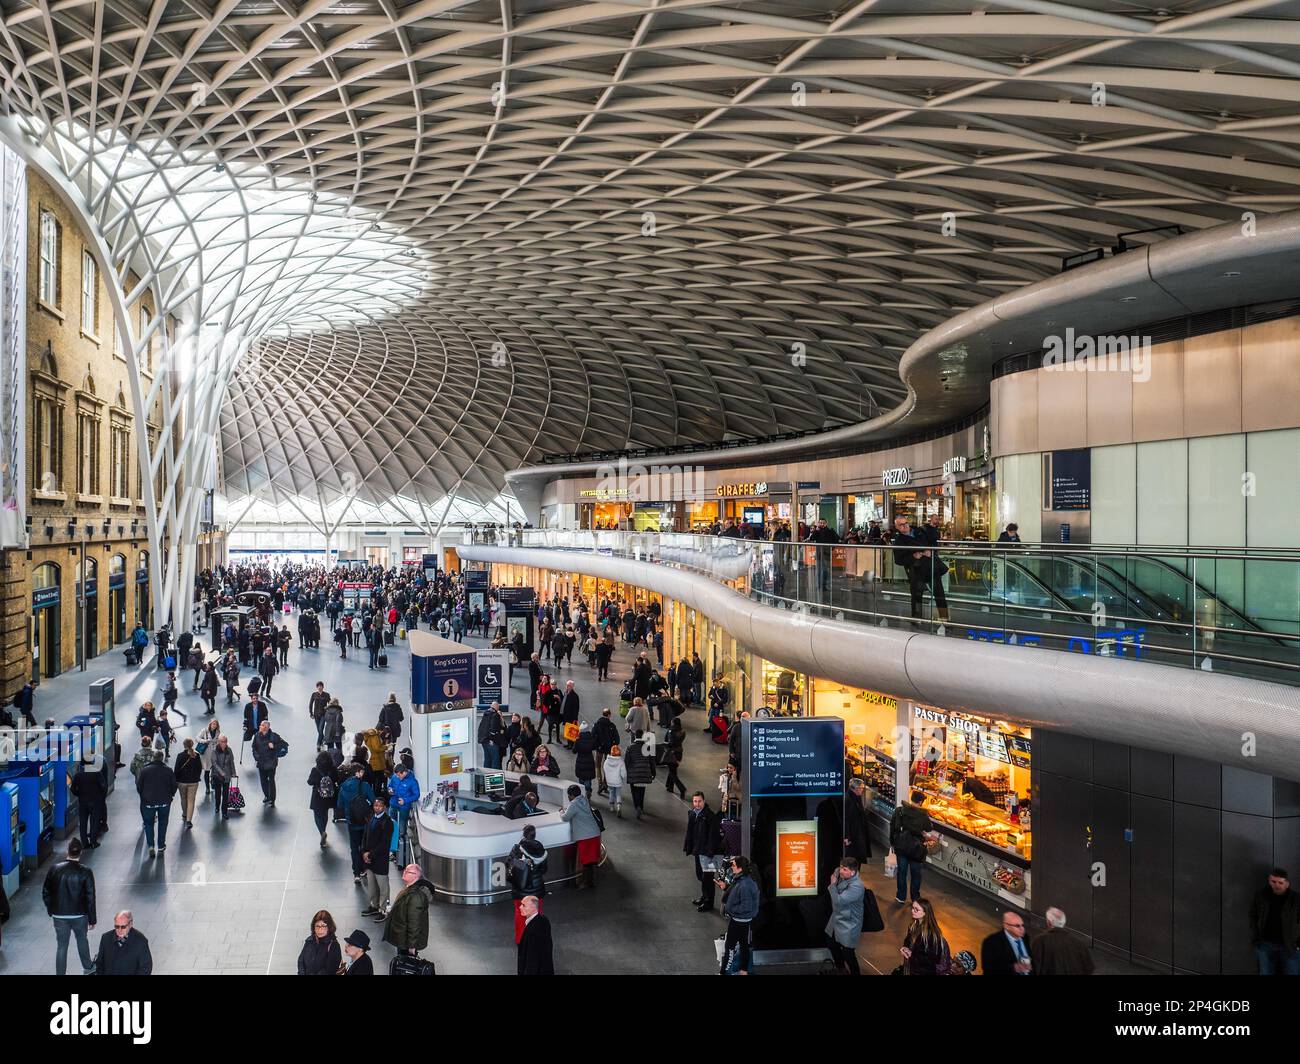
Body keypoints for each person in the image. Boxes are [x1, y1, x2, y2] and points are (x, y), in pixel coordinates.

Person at [42, 839, 96, 976]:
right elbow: (90, 897)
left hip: (59, 915)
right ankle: (88, 967)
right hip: (79, 915)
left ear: (68, 851)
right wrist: (92, 919)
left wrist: (51, 909)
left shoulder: (54, 869)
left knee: (62, 946)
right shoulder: (86, 872)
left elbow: (45, 892)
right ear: (81, 852)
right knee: (82, 940)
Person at [1250, 867, 1300, 975]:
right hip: (1265, 945)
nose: (1276, 885)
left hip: (1290, 946)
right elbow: (1253, 915)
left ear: (1287, 883)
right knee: (1265, 972)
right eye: (1273, 881)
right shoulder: (1261, 895)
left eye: (1280, 883)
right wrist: (1256, 937)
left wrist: (1298, 943)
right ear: (1269, 880)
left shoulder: (1296, 899)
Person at [889, 790, 935, 904]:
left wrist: (892, 843)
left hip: (901, 845)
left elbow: (892, 826)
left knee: (902, 872)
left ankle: (900, 896)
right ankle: (915, 897)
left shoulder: (899, 810)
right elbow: (929, 828)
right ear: (920, 802)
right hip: (916, 848)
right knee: (916, 874)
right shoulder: (922, 814)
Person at [718, 855, 759, 975]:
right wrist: (725, 888)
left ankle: (724, 972)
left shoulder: (745, 884)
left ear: (740, 868)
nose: (732, 867)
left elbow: (745, 907)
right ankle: (743, 971)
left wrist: (731, 910)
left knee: (730, 947)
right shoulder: (743, 880)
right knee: (744, 945)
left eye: (734, 865)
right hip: (743, 921)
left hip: (738, 921)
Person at [825, 857, 866, 975]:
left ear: (852, 873)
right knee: (831, 942)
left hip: (849, 923)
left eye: (845, 869)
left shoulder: (857, 886)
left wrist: (832, 885)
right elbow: (837, 869)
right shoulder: (843, 874)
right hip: (837, 919)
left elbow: (838, 901)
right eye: (841, 867)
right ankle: (841, 969)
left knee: (848, 952)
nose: (841, 871)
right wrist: (837, 871)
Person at [384, 863, 436, 956]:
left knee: (405, 965)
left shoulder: (415, 896)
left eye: (408, 872)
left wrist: (412, 946)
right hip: (402, 938)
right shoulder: (409, 889)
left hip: (405, 942)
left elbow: (414, 923)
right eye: (405, 870)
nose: (404, 872)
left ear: (415, 876)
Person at [337, 763, 376, 881]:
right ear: (357, 772)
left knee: (354, 847)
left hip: (351, 821)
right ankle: (365, 868)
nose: (363, 774)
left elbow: (339, 805)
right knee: (365, 845)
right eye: (362, 772)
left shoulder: (343, 787)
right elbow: (374, 800)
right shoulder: (364, 786)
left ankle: (356, 873)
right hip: (364, 821)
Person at [509, 825, 548, 941]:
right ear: (534, 835)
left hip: (520, 890)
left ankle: (520, 938)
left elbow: (509, 864)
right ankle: (536, 939)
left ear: (523, 835)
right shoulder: (541, 851)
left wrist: (524, 866)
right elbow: (543, 870)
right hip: (537, 889)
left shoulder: (516, 849)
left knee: (520, 913)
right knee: (536, 914)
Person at [137, 748, 178, 858]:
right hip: (164, 802)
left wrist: (143, 796)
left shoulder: (145, 770)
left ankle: (150, 845)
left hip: (148, 802)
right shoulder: (168, 770)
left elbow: (139, 786)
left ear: (153, 758)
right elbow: (174, 785)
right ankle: (161, 845)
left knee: (149, 824)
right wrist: (171, 795)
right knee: (163, 822)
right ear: (162, 759)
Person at [684, 791, 721, 912]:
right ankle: (704, 897)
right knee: (700, 875)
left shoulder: (710, 816)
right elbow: (690, 832)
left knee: (708, 878)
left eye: (699, 801)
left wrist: (710, 853)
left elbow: (713, 837)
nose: (697, 804)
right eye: (695, 801)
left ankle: (708, 902)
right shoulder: (693, 814)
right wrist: (689, 847)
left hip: (708, 853)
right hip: (698, 851)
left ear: (704, 801)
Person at [1030, 907, 1095, 975]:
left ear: (1049, 922)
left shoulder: (1039, 941)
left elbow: (1033, 967)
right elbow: (1089, 968)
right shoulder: (1079, 943)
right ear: (1064, 923)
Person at [561, 784, 602, 889]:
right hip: (595, 834)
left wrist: (561, 812)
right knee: (592, 860)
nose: (568, 798)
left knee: (586, 861)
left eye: (569, 795)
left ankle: (586, 883)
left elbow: (565, 818)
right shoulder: (584, 800)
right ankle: (592, 881)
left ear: (572, 795)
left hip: (586, 837)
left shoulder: (574, 804)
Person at [360, 796, 394, 920]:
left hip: (379, 860)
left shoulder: (387, 822)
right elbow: (364, 836)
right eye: (375, 805)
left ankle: (383, 909)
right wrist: (363, 852)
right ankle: (374, 906)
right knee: (372, 886)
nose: (377, 807)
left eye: (380, 805)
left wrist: (370, 854)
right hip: (369, 860)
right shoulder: (370, 818)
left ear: (385, 807)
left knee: (383, 887)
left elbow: (384, 844)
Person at [900, 898, 951, 975]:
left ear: (925, 913)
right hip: (912, 968)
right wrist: (905, 948)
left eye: (916, 909)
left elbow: (933, 959)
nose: (912, 911)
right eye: (913, 908)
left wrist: (912, 955)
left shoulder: (931, 934)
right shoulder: (913, 924)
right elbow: (908, 940)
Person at [93, 910, 152, 975]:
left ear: (130, 924)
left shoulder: (141, 941)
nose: (119, 930)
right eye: (117, 927)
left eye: (123, 927)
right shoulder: (106, 938)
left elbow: (146, 968)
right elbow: (100, 963)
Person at [981, 909, 1033, 975]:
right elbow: (988, 970)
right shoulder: (991, 943)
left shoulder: (1025, 938)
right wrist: (1013, 968)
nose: (1022, 929)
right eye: (1017, 926)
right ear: (1006, 926)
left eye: (1022, 925)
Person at [387, 763, 420, 860]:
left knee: (401, 830)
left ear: (404, 772)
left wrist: (405, 801)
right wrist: (390, 790)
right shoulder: (395, 777)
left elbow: (416, 795)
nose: (397, 777)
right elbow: (390, 786)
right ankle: (391, 850)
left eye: (399, 775)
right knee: (391, 827)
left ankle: (400, 851)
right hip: (393, 805)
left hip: (404, 808)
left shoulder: (412, 781)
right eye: (396, 775)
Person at [70, 760, 107, 849]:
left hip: (83, 802)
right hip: (95, 801)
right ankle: (93, 842)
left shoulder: (78, 775)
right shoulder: (97, 773)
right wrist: (100, 797)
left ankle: (84, 843)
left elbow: (72, 788)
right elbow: (103, 786)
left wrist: (79, 794)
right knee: (94, 821)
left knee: (83, 823)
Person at [516, 894, 554, 975]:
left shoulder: (533, 931)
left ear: (533, 908)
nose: (520, 907)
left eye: (524, 905)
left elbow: (532, 959)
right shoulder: (544, 919)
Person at [308, 752, 339, 849]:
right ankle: (324, 829)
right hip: (329, 797)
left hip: (318, 796)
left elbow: (310, 782)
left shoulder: (315, 770)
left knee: (317, 815)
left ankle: (322, 831)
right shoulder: (333, 769)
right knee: (325, 813)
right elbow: (337, 779)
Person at [250, 718, 284, 806]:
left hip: (271, 762)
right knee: (263, 780)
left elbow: (283, 745)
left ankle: (272, 799)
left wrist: (274, 746)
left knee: (271, 780)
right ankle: (266, 795)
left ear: (266, 727)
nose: (259, 726)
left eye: (261, 725)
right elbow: (254, 748)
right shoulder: (257, 736)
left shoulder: (274, 736)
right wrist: (257, 757)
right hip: (261, 762)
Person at [297, 910, 343, 975]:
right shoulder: (309, 940)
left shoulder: (334, 945)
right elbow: (301, 961)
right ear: (314, 927)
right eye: (317, 926)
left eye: (323, 926)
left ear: (329, 927)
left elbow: (330, 970)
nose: (320, 929)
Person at [174, 738, 203, 829]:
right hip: (193, 782)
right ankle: (189, 821)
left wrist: (175, 780)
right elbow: (199, 768)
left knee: (183, 798)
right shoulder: (196, 755)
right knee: (191, 800)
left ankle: (184, 814)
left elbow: (176, 770)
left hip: (182, 781)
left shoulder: (180, 756)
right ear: (192, 745)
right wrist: (196, 777)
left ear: (184, 745)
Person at [843, 777, 871, 862]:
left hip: (857, 833)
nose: (862, 790)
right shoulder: (849, 800)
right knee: (853, 859)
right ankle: (853, 874)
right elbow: (846, 819)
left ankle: (855, 873)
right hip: (853, 835)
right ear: (856, 788)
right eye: (861, 788)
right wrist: (846, 836)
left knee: (857, 858)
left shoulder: (856, 798)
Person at [592, 706, 619, 795]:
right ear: (609, 715)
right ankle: (605, 784)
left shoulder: (597, 724)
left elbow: (592, 735)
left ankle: (600, 783)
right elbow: (617, 739)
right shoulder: (612, 725)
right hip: (609, 750)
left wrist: (596, 745)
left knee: (598, 766)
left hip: (599, 749)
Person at [210, 735, 236, 819]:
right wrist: (221, 772)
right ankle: (217, 807)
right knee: (218, 793)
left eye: (225, 741)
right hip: (217, 776)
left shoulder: (229, 750)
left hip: (227, 775)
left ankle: (224, 812)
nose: (224, 743)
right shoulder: (214, 751)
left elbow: (231, 762)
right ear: (218, 742)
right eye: (222, 741)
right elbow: (214, 763)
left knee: (225, 794)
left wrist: (233, 772)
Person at [662, 717, 686, 799]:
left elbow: (669, 742)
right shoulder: (683, 731)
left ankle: (682, 789)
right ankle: (669, 787)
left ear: (673, 723)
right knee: (673, 769)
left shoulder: (671, 731)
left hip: (672, 753)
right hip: (679, 753)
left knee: (673, 773)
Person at [573, 721, 596, 797]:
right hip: (589, 761)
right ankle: (588, 790)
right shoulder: (591, 739)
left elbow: (574, 751)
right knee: (588, 779)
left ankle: (582, 793)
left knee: (581, 779)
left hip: (580, 762)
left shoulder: (578, 740)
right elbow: (594, 747)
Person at [478, 702, 505, 769]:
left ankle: (486, 775)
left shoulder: (485, 714)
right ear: (496, 707)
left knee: (487, 759)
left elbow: (481, 728)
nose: (498, 708)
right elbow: (493, 729)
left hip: (483, 740)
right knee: (495, 760)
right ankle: (494, 776)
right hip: (491, 742)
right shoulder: (495, 715)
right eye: (498, 707)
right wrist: (492, 739)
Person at [602, 744, 627, 816]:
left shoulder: (607, 761)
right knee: (618, 793)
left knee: (611, 793)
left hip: (610, 781)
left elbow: (605, 770)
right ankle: (619, 806)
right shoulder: (621, 761)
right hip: (618, 781)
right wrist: (623, 777)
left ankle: (611, 807)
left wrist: (608, 778)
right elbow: (623, 773)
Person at [309, 681, 331, 748]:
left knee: (321, 729)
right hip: (316, 715)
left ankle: (318, 743)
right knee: (319, 730)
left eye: (321, 686)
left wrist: (327, 708)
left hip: (324, 715)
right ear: (317, 687)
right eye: (318, 686)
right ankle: (323, 739)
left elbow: (330, 704)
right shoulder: (314, 694)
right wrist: (311, 713)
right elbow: (310, 704)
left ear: (323, 687)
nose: (319, 688)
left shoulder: (326, 695)